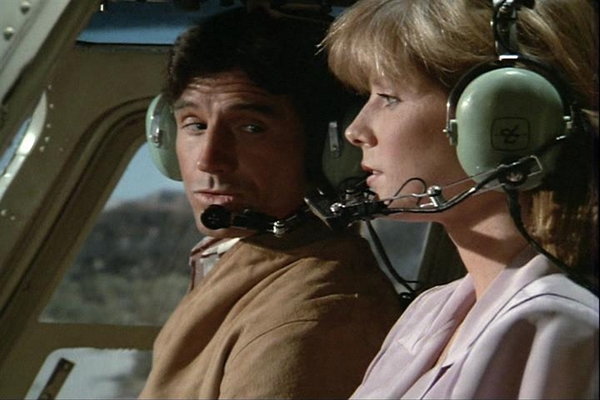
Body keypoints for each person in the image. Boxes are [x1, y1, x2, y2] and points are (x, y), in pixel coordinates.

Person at [323, 0, 598, 398]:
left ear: (504, 116)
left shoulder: (554, 325)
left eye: (388, 97)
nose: (356, 130)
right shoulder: (432, 310)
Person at [139, 7, 402, 399]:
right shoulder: (246, 263)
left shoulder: (316, 313)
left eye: (250, 128)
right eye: (195, 125)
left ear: (328, 149)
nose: (208, 159)